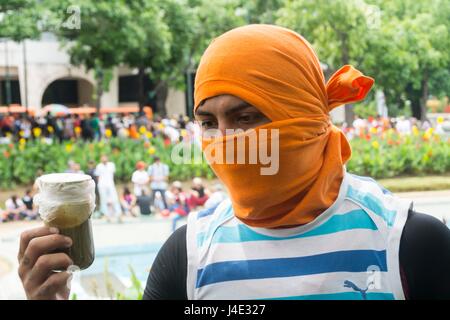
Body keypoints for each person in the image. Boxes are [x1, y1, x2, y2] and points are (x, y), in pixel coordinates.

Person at [17, 25, 450, 300]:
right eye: (208, 121)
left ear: (308, 118)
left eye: (246, 117)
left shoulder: (406, 244)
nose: (226, 142)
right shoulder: (188, 256)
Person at [95, 155, 122, 222]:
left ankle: (118, 214)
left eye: (105, 158)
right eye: (102, 158)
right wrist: (100, 184)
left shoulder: (111, 165)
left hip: (110, 184)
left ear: (107, 158)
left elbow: (112, 174)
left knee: (114, 199)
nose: (104, 159)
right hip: (102, 185)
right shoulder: (99, 166)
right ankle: (107, 215)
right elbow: (97, 176)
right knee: (103, 200)